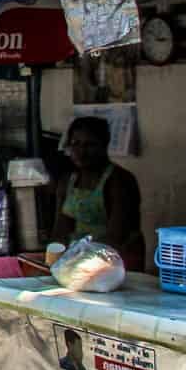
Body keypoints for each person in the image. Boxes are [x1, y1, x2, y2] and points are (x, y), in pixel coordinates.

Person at [50, 116, 146, 270]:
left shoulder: (119, 181)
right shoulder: (67, 181)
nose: (82, 151)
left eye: (90, 145)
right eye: (76, 144)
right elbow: (60, 230)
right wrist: (55, 257)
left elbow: (117, 236)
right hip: (79, 259)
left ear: (105, 145)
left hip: (116, 260)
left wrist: (77, 260)